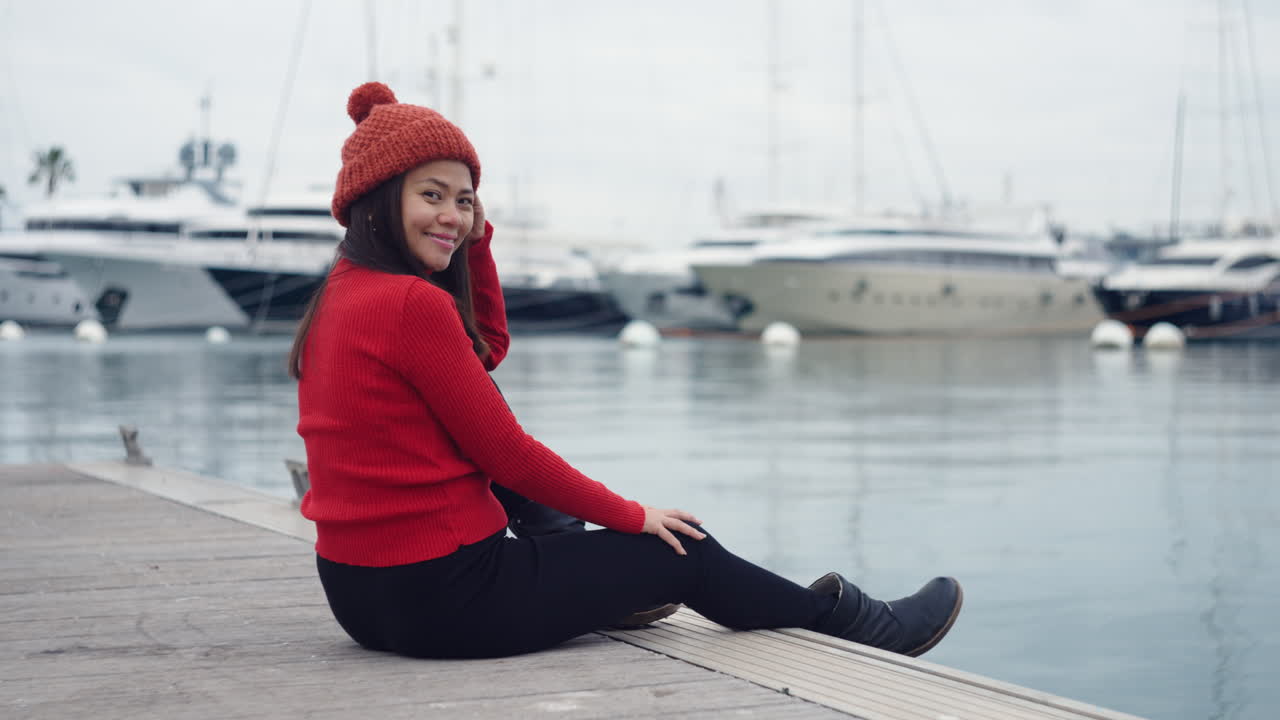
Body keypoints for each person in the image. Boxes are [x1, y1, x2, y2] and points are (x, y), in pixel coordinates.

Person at [290, 81, 963, 660]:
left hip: (359, 597)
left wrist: (477, 242)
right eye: (432, 195)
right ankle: (856, 624)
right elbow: (509, 452)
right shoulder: (409, 304)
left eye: (464, 201)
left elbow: (481, 351)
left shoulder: (342, 294)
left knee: (535, 496)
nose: (453, 215)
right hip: (444, 599)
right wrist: (634, 516)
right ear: (378, 198)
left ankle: (601, 584)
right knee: (683, 548)